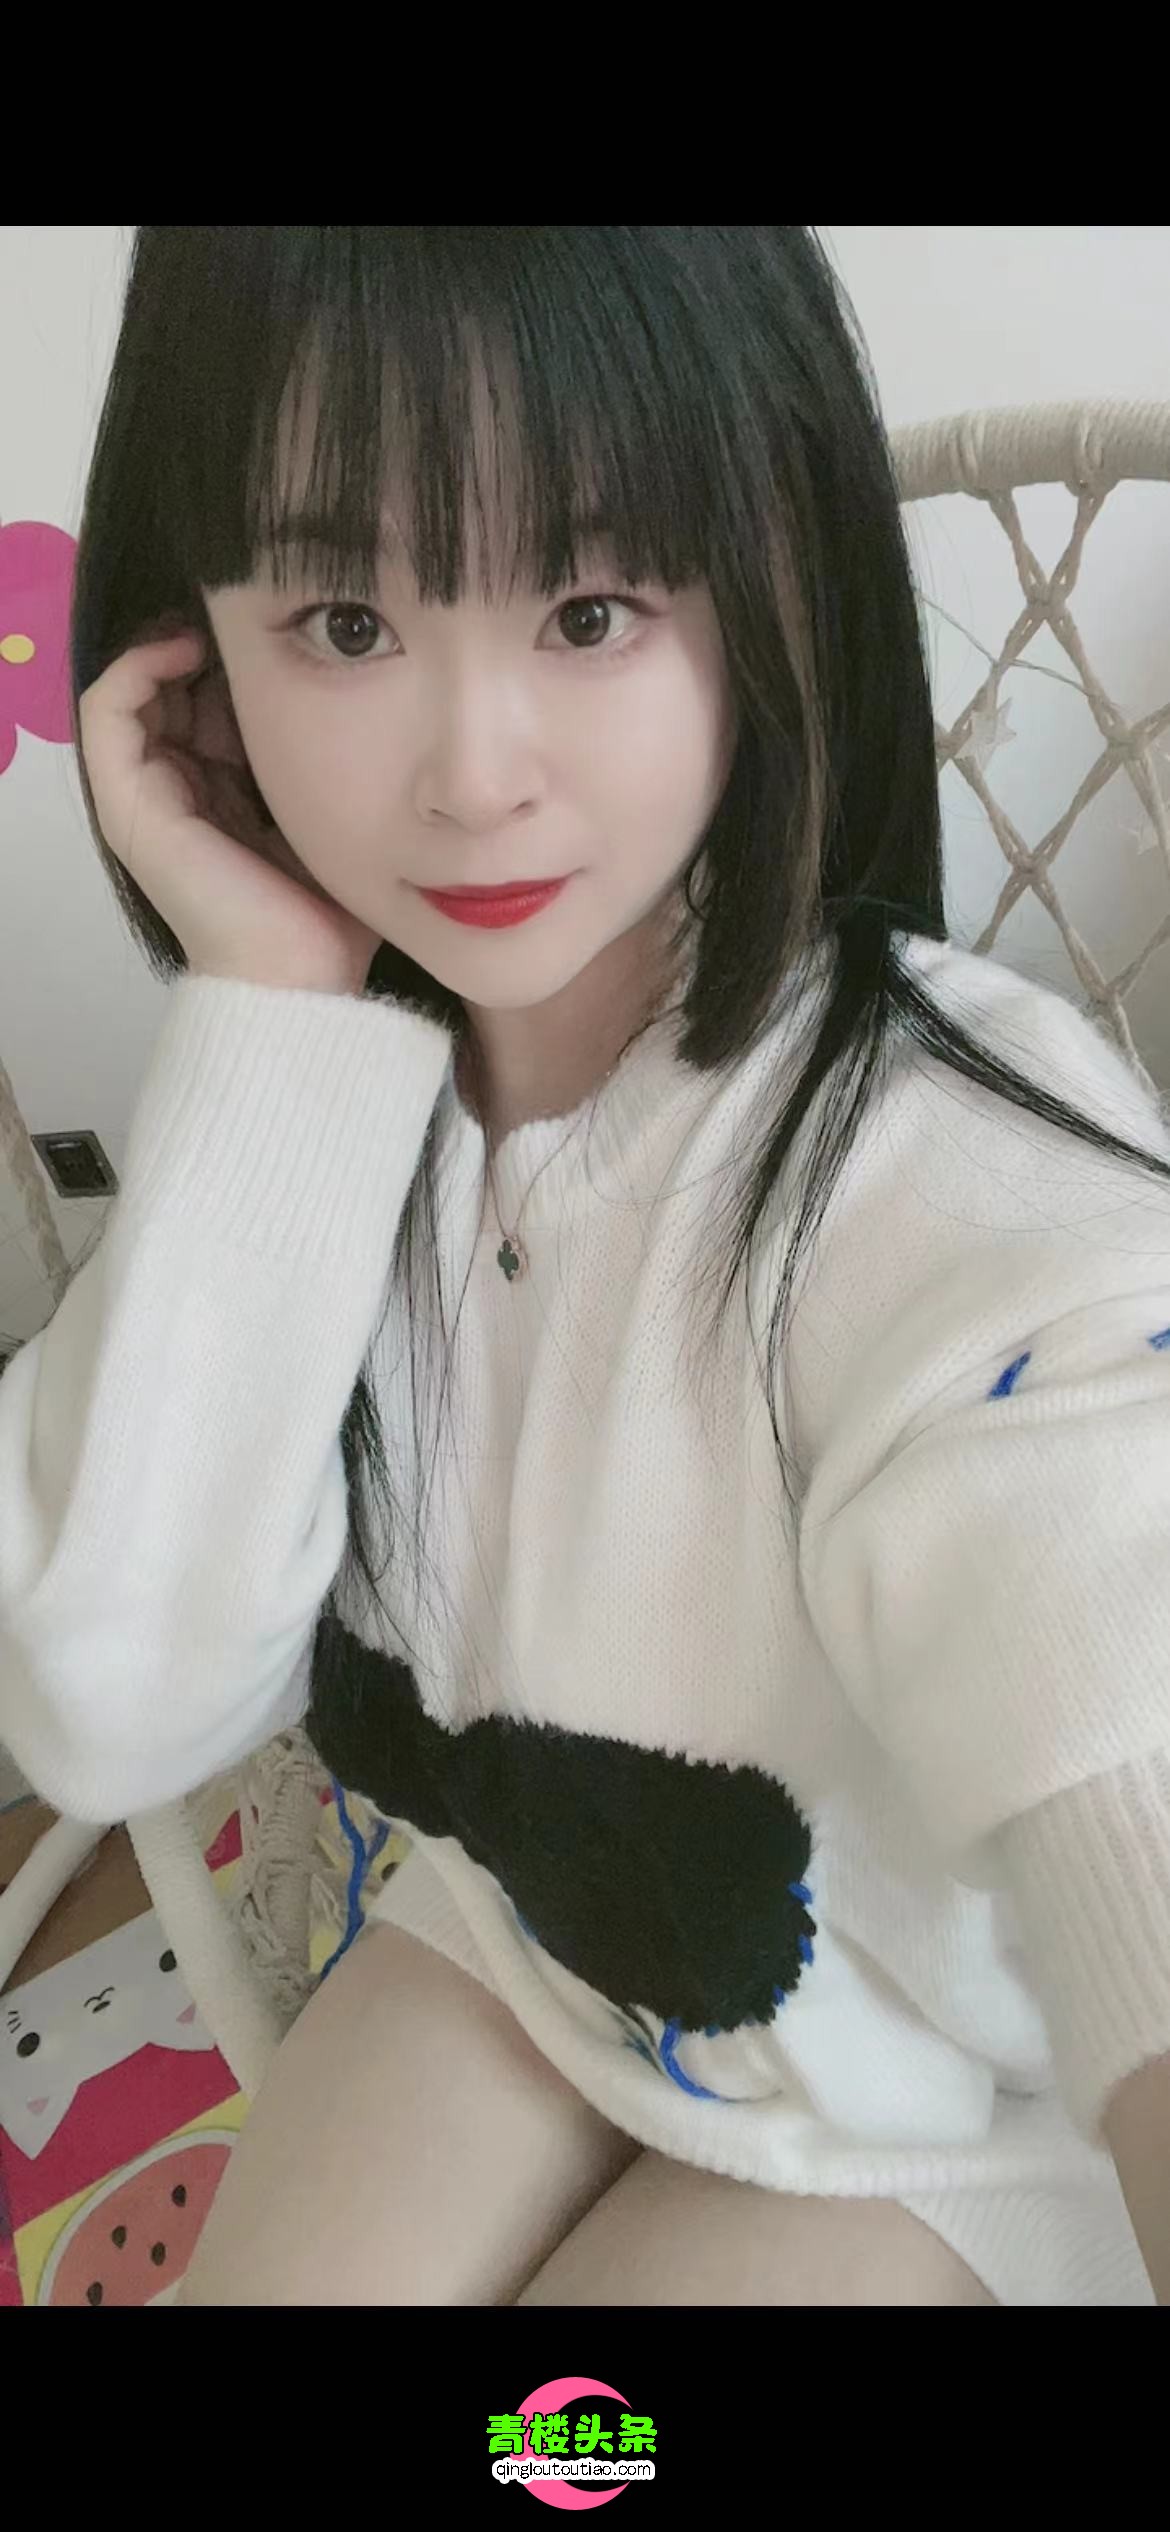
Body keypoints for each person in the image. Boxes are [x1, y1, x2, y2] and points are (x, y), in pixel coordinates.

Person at [2, 226, 1169, 2308]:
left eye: (591, 608)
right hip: (521, 1938)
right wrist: (269, 1003)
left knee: (553, 2454)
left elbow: (1110, 1625)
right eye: (346, 620)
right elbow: (109, 1712)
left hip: (934, 2117)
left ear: (773, 577)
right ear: (199, 650)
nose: (473, 776)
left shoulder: (945, 1168)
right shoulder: (326, 1114)